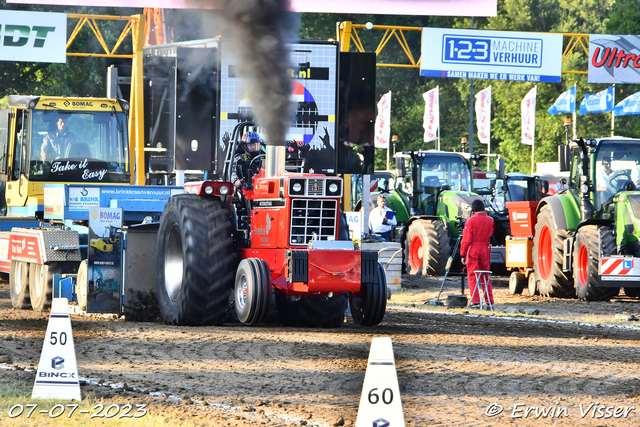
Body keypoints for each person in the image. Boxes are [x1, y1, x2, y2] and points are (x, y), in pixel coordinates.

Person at [460, 199, 495, 307]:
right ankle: (489, 301)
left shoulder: (470, 221)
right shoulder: (490, 220)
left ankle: (476, 301)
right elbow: (491, 233)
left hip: (473, 249)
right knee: (486, 275)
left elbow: (466, 239)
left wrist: (462, 253)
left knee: (472, 275)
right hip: (485, 248)